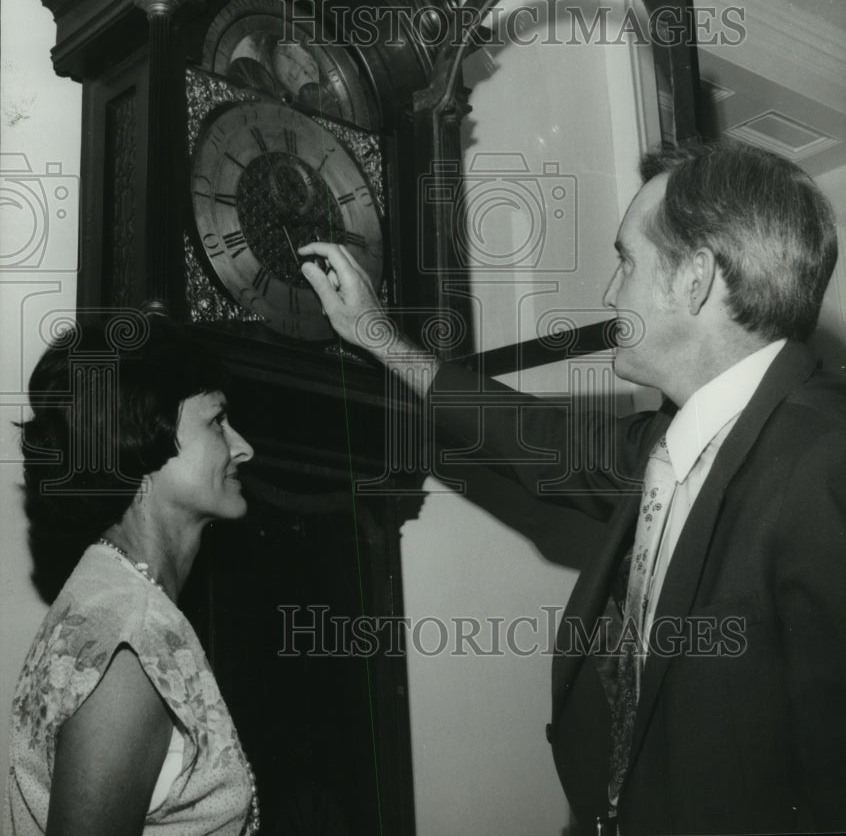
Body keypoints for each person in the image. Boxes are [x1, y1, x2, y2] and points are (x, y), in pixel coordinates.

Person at [299, 140, 846, 835]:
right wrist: (379, 337)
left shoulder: (827, 458)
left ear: (695, 279)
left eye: (627, 260)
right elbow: (539, 438)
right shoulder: (678, 441)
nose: (608, 292)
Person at [5, 314, 258, 836]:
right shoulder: (131, 643)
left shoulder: (108, 597)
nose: (242, 447)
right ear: (143, 432)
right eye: (216, 421)